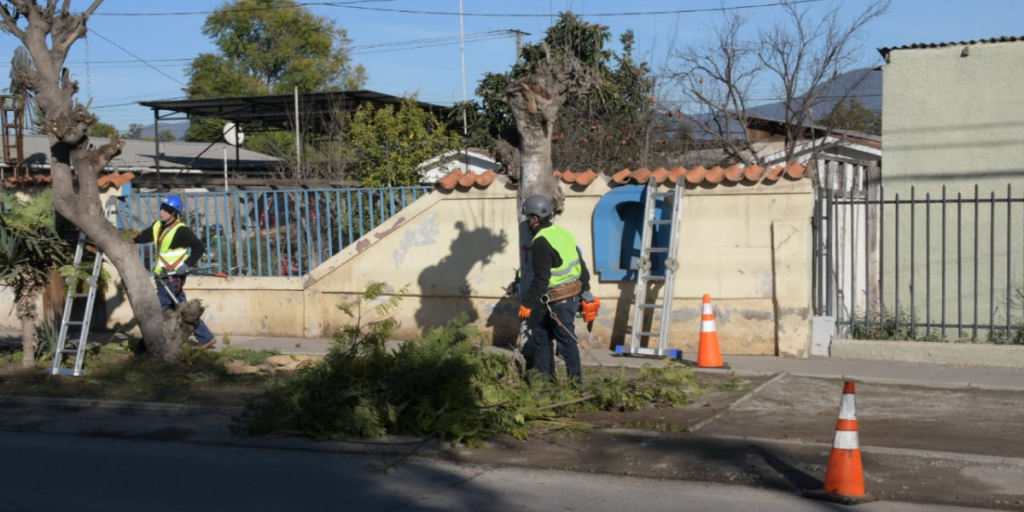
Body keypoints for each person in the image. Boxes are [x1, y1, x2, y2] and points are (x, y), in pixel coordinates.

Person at [517, 195, 601, 385]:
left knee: (552, 340)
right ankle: (565, 383)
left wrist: (527, 304)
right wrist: (585, 290)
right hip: (571, 297)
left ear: (535, 218)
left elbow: (541, 278)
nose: (527, 222)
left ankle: (558, 383)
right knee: (554, 338)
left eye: (528, 217)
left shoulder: (540, 241)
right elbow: (581, 265)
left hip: (556, 300)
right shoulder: (564, 233)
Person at [134, 195, 217, 349]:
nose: (161, 212)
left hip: (173, 276)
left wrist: (186, 264)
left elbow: (199, 247)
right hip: (163, 275)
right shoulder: (157, 226)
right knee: (183, 309)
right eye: (161, 209)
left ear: (173, 212)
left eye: (165, 210)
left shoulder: (181, 230)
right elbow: (141, 237)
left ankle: (144, 346)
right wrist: (129, 236)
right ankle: (206, 338)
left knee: (159, 310)